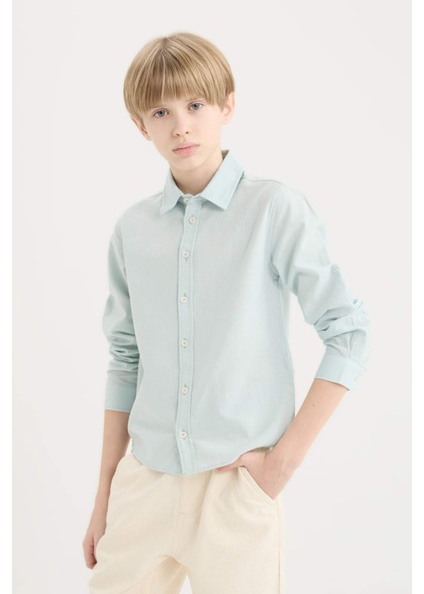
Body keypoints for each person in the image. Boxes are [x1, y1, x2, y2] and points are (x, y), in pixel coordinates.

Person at [83, 31, 370, 594]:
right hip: (142, 485)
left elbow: (349, 332)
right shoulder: (133, 229)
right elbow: (125, 359)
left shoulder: (274, 208)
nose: (180, 126)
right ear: (140, 126)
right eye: (161, 112)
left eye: (195, 105)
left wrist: (281, 465)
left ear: (227, 106)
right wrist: (104, 496)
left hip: (237, 489)